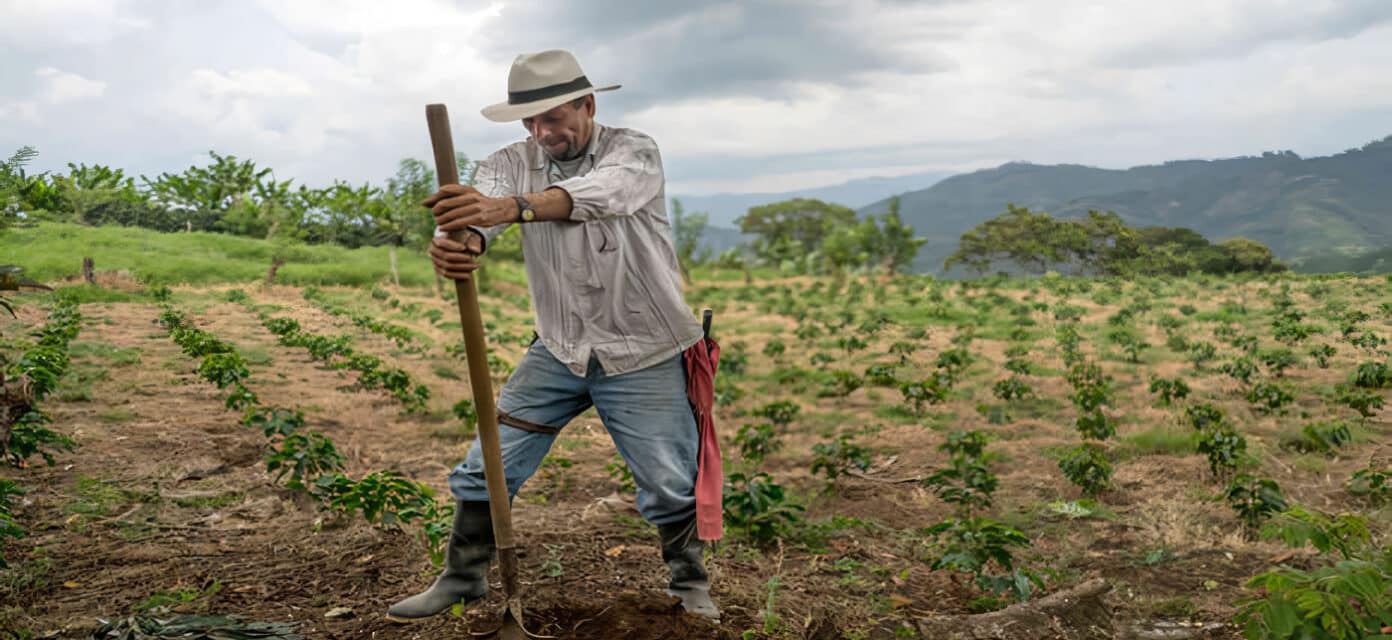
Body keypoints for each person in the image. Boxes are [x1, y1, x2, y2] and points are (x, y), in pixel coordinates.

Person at [385, 49, 719, 623]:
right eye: (532, 122)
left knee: (668, 480)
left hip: (645, 346)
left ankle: (689, 587)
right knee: (486, 465)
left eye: (555, 119)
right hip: (559, 349)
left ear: (587, 105)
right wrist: (458, 246)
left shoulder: (632, 152)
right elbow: (477, 222)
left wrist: (509, 209)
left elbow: (598, 197)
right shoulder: (508, 162)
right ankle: (463, 578)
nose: (544, 133)